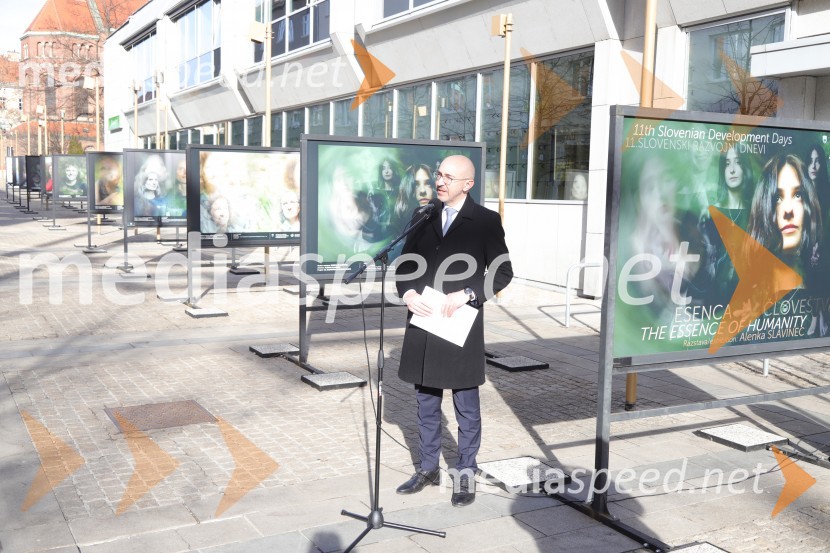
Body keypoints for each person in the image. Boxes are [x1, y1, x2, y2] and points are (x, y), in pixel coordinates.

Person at [394, 154, 513, 507]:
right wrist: (409, 292)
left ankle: (465, 473)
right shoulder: (423, 214)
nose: (440, 182)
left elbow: (502, 272)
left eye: (448, 177)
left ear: (468, 184)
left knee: (466, 407)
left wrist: (469, 293)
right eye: (438, 175)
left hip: (460, 326)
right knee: (425, 403)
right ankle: (428, 468)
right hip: (424, 322)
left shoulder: (486, 221)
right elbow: (406, 264)